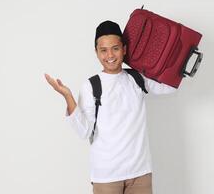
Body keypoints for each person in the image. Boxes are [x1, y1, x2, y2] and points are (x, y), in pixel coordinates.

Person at [45, 20, 176, 194]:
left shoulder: (136, 78)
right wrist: (67, 96)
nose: (110, 55)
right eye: (103, 50)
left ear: (124, 49)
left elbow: (170, 86)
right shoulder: (91, 85)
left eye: (115, 48)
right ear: (96, 52)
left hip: (140, 172)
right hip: (106, 176)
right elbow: (84, 130)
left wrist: (182, 54)